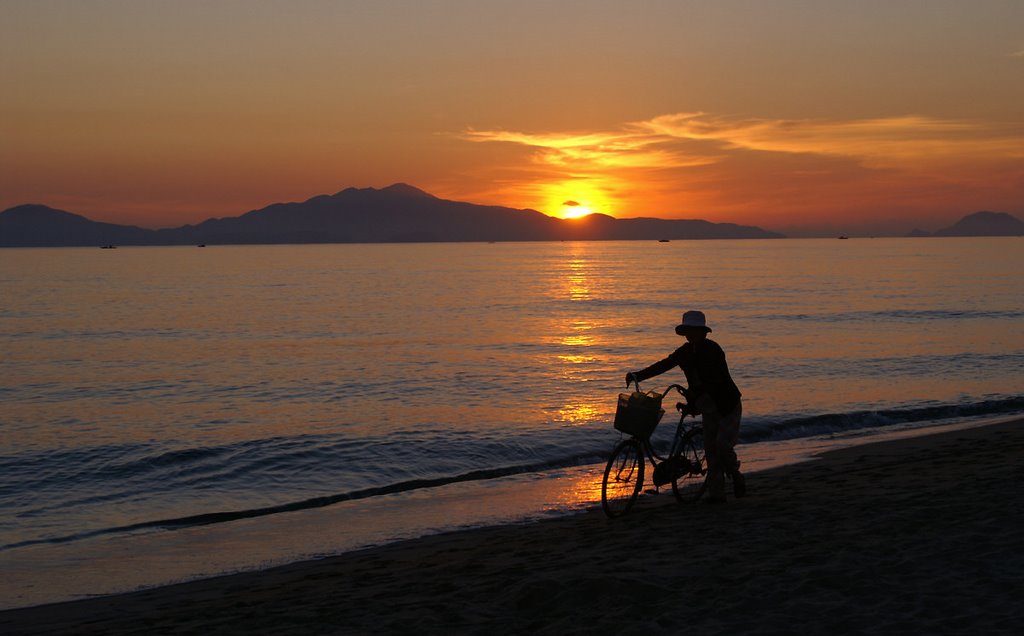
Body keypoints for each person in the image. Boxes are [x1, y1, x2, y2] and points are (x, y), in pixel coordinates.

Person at [626, 310, 745, 504]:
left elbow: (716, 381)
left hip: (727, 404)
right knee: (711, 451)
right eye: (688, 331)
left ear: (702, 332)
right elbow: (664, 365)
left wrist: (694, 401)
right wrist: (638, 375)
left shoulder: (713, 350)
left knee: (722, 446)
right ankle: (717, 495)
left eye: (693, 330)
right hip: (707, 404)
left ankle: (736, 474)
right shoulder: (685, 352)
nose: (690, 334)